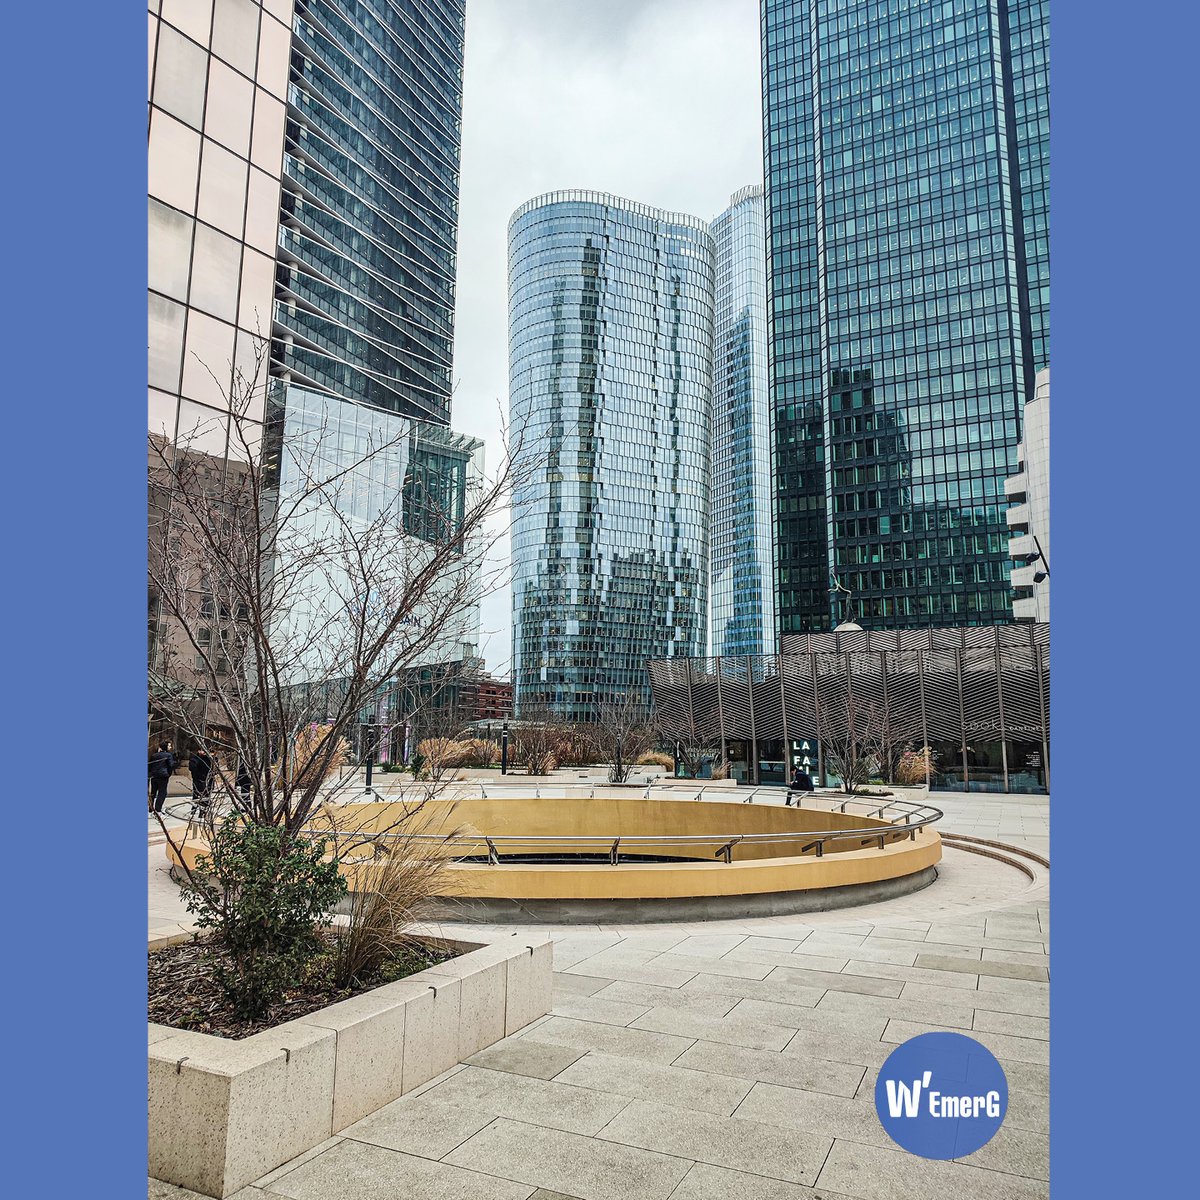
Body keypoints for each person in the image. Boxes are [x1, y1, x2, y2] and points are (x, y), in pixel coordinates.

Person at [148, 742, 175, 814]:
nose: (170, 747)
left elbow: (150, 766)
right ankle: (157, 809)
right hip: (163, 776)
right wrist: (168, 773)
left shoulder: (154, 755)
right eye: (169, 746)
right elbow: (171, 765)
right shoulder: (168, 755)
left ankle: (151, 808)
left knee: (153, 792)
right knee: (162, 792)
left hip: (154, 776)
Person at [188, 746, 214, 813]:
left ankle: (203, 811)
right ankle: (194, 809)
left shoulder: (209, 759)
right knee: (196, 795)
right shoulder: (195, 759)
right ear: (199, 751)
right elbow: (192, 768)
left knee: (206, 796)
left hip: (208, 780)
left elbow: (213, 769)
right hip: (198, 780)